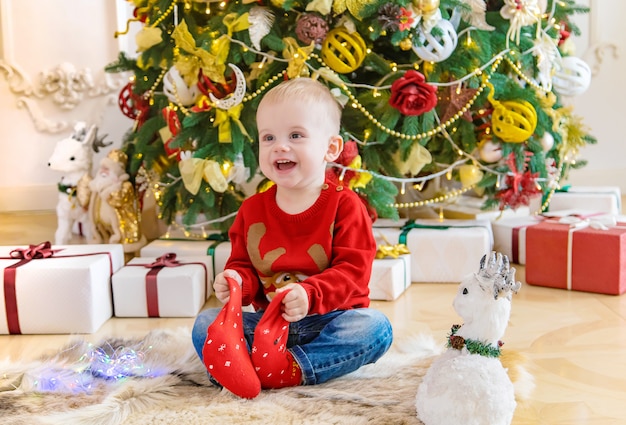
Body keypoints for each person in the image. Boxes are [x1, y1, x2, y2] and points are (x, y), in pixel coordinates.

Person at [191, 77, 393, 398]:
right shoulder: (252, 209)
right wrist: (235, 283)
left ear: (331, 148)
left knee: (375, 329)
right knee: (205, 323)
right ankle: (255, 365)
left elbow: (353, 274)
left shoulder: (345, 204)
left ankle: (290, 368)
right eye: (268, 137)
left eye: (295, 135)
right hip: (267, 327)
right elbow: (244, 265)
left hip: (327, 322)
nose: (279, 146)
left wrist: (310, 294)